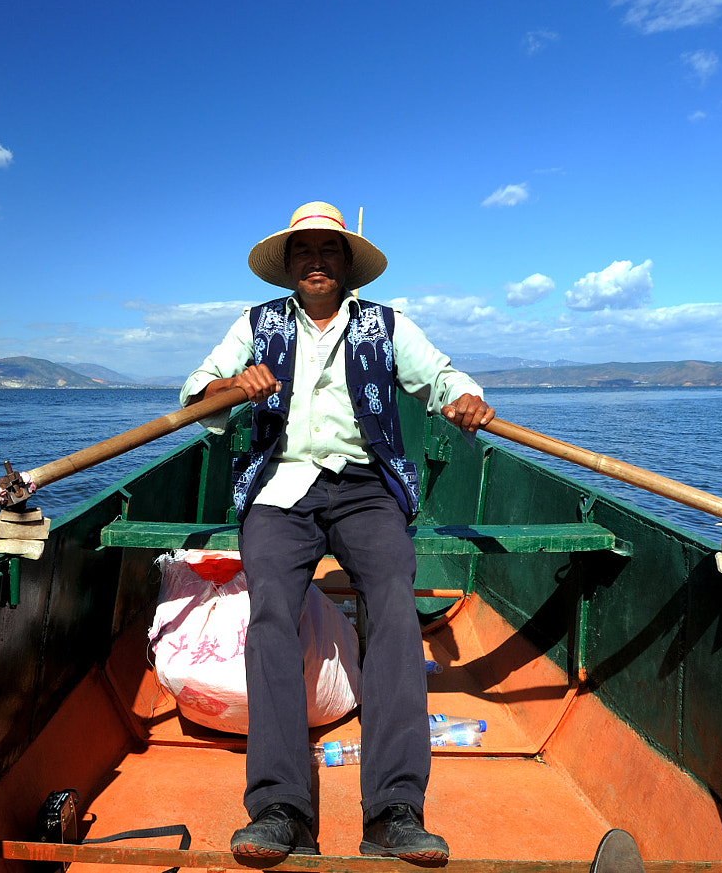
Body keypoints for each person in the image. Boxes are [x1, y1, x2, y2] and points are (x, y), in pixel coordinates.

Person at [180, 201, 494, 861]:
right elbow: (198, 392)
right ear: (289, 266)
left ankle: (394, 811)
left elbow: (440, 376)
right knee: (269, 610)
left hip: (364, 488)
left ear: (346, 265)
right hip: (280, 488)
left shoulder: (385, 326)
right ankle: (278, 808)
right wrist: (232, 385)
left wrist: (463, 396)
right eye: (304, 252)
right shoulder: (254, 325)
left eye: (329, 251)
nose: (316, 261)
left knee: (394, 605)